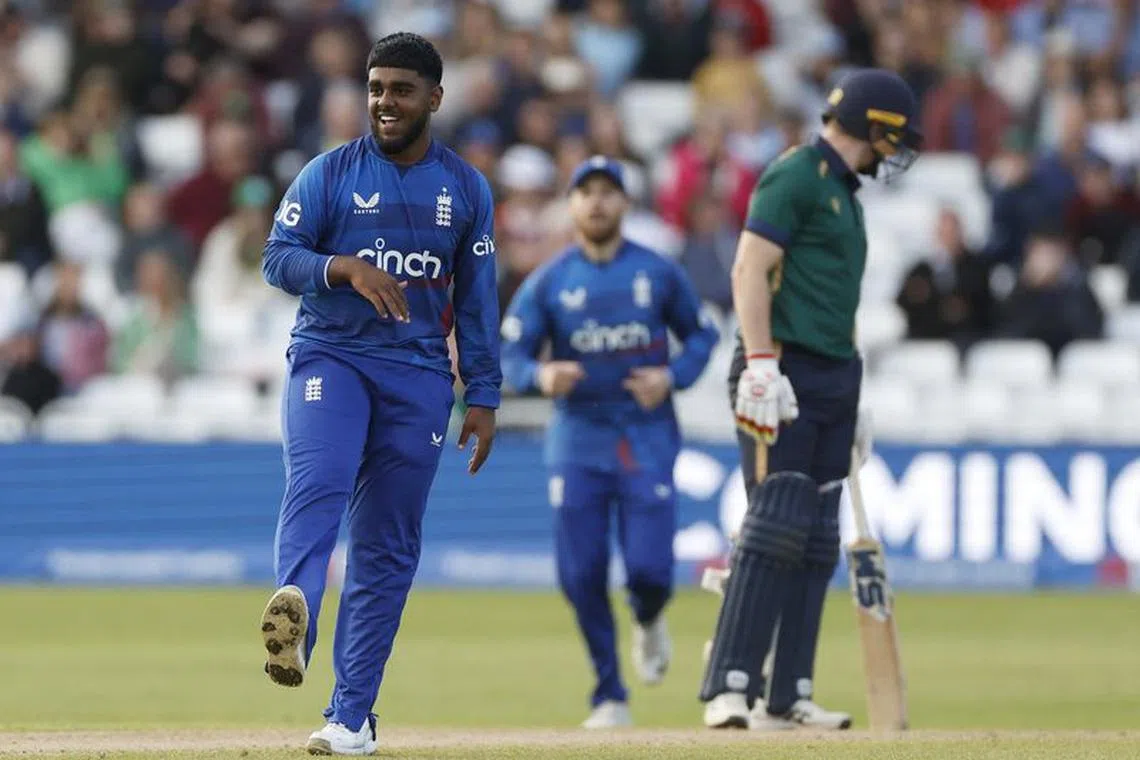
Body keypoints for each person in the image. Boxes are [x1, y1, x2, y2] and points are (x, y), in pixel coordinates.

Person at [257, 33, 501, 756]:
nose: (384, 103)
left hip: (419, 376)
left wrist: (484, 394)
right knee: (319, 484)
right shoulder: (329, 173)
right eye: (374, 89)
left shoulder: (465, 189)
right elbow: (277, 258)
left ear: (435, 98)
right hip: (332, 356)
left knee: (387, 546)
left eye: (400, 90)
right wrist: (343, 268)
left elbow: (478, 300)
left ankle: (351, 718)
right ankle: (295, 614)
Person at [699, 68, 922, 731]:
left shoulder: (846, 196)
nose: (896, 150)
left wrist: (852, 396)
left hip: (833, 376)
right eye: (895, 136)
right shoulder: (796, 175)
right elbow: (748, 268)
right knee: (775, 523)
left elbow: (834, 301)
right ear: (873, 125)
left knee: (819, 538)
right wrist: (761, 364)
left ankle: (786, 693)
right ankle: (730, 685)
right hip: (782, 366)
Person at [501, 156, 717, 729]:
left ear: (625, 202)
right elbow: (512, 351)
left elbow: (702, 335)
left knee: (649, 570)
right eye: (586, 192)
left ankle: (648, 617)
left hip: (645, 435)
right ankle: (609, 693)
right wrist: (540, 376)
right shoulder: (551, 279)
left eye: (607, 191)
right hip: (578, 436)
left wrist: (671, 376)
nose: (596, 201)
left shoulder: (656, 271)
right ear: (571, 204)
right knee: (580, 574)